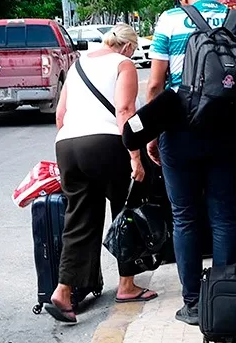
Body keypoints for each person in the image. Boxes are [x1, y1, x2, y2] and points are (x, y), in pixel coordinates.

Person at [146, 0, 236, 326]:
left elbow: (155, 86)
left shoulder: (169, 21)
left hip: (179, 132)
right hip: (225, 132)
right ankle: (224, 297)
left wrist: (151, 136)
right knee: (224, 217)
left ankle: (193, 304)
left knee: (185, 218)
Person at [46, 24, 158, 323]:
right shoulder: (124, 65)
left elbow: (60, 115)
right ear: (129, 47)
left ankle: (63, 290)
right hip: (107, 143)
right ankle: (127, 284)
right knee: (127, 212)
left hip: (68, 145)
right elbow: (125, 111)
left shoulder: (77, 64)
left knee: (79, 219)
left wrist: (75, 149)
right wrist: (135, 156)